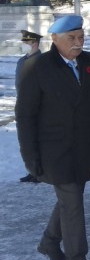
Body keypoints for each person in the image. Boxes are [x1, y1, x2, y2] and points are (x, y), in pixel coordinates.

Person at [15, 15, 90, 260]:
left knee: (71, 198)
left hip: (84, 147)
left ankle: (48, 242)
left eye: (81, 37)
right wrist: (30, 157)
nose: (78, 43)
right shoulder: (37, 66)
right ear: (54, 39)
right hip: (53, 151)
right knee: (73, 204)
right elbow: (25, 116)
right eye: (71, 38)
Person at [16, 29, 43, 183]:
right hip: (23, 106)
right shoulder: (21, 61)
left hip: (37, 108)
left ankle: (40, 171)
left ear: (35, 43)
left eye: (26, 42)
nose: (24, 45)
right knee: (27, 141)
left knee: (38, 140)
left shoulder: (42, 60)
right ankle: (32, 169)